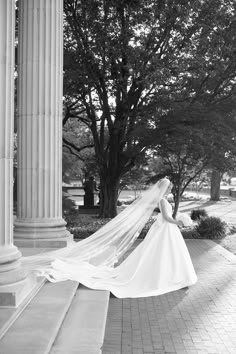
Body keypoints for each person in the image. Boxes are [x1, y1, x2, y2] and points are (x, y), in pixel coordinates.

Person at [24, 178, 197, 299]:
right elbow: (167, 218)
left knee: (164, 254)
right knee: (163, 253)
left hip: (165, 230)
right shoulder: (162, 201)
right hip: (166, 228)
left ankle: (172, 275)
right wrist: (179, 222)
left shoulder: (162, 200)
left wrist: (178, 221)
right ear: (165, 188)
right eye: (169, 187)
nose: (171, 189)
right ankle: (170, 277)